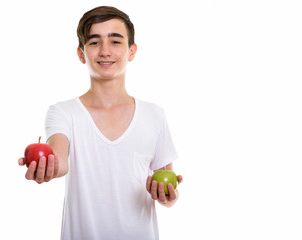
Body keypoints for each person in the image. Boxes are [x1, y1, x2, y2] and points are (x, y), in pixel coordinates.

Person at [18, 6, 182, 240]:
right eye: (94, 42)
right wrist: (48, 167)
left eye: (115, 41)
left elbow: (167, 189)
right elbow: (60, 161)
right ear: (81, 54)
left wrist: (170, 197)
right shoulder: (63, 112)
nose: (105, 51)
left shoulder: (155, 115)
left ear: (131, 51)